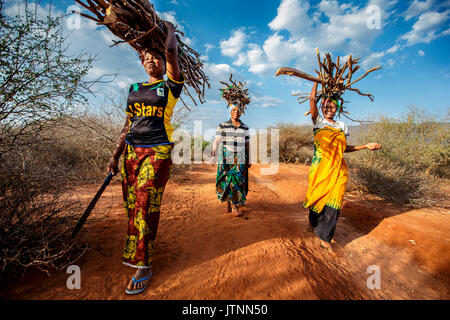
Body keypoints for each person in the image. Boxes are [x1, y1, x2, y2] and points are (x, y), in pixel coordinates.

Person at [107, 21, 183, 295]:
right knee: (132, 206)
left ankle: (145, 264)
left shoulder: (171, 87)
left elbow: (173, 53)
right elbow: (128, 123)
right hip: (131, 152)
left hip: (157, 150)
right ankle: (137, 250)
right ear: (142, 63)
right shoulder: (134, 88)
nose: (152, 62)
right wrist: (115, 155)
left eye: (157, 58)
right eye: (146, 59)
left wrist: (170, 31)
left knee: (145, 203)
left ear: (164, 62)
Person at [303, 82, 382, 249]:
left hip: (338, 168)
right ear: (322, 107)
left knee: (335, 200)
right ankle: (314, 223)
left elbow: (344, 148)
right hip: (320, 168)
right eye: (326, 106)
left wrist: (365, 146)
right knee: (318, 197)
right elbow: (311, 100)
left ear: (337, 109)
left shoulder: (342, 126)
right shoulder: (318, 122)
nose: (329, 109)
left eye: (332, 107)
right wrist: (316, 82)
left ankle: (325, 237)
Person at [211, 105, 251, 217]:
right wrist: (214, 149)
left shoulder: (245, 127)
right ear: (230, 111)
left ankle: (234, 206)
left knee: (237, 180)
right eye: (234, 110)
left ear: (242, 112)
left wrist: (249, 158)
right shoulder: (223, 125)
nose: (236, 112)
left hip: (240, 157)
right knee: (225, 179)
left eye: (239, 110)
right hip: (225, 156)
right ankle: (228, 203)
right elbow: (217, 139)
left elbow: (247, 144)